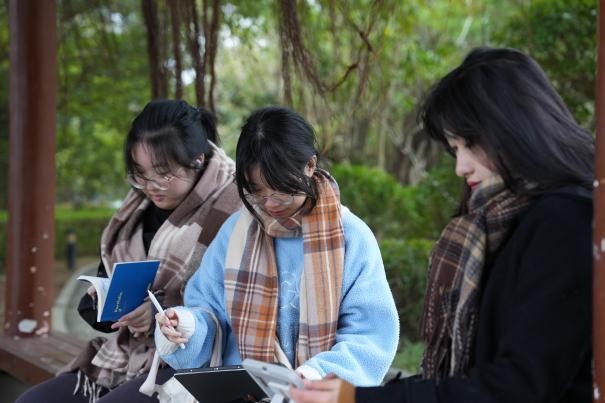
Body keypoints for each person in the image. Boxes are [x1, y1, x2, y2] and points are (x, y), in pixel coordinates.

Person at [290, 47, 594, 403]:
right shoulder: (498, 222)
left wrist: (359, 399)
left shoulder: (565, 221)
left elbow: (517, 386)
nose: (461, 167)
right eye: (454, 148)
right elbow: (470, 372)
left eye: (470, 144)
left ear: (518, 127)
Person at [153, 106, 399, 389]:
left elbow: (370, 336)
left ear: (310, 165)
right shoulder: (235, 233)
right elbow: (209, 312)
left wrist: (313, 376)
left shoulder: (351, 237)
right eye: (256, 191)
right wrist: (185, 325)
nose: (269, 204)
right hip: (241, 392)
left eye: (281, 190)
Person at [16, 99, 241, 403]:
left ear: (198, 160)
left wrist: (160, 314)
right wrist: (106, 301)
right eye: (140, 173)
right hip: (129, 355)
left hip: (196, 360)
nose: (151, 186)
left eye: (163, 173)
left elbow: (240, 307)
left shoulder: (234, 205)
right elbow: (100, 304)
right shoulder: (136, 209)